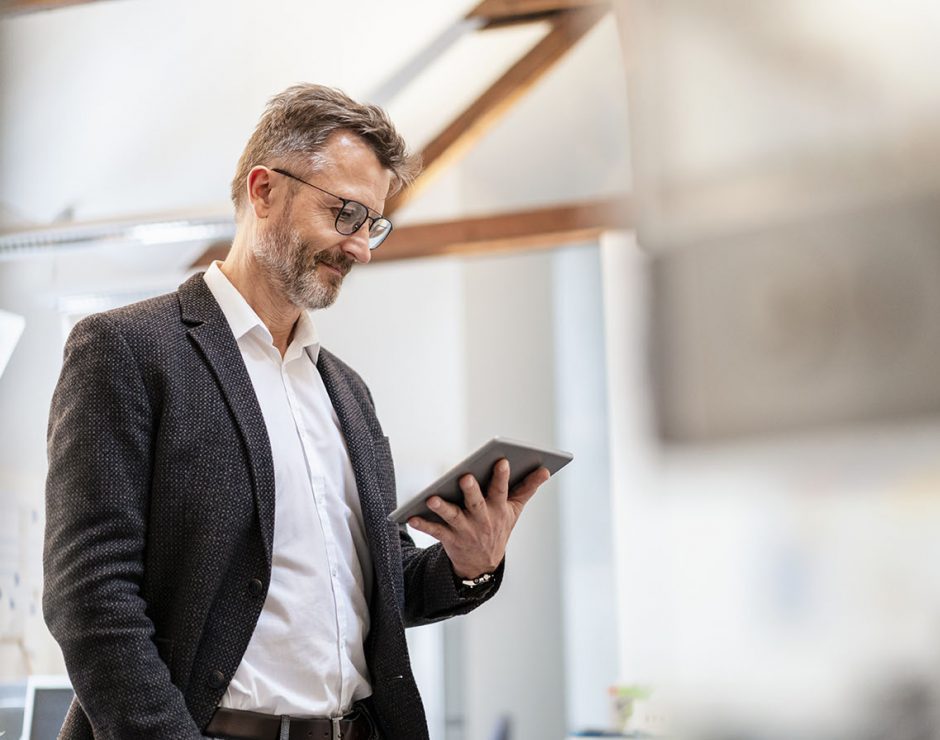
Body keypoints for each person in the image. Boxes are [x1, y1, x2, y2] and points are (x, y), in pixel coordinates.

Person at [42, 84, 550, 740]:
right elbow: (90, 596)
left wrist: (468, 562)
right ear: (264, 191)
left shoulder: (346, 392)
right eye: (345, 214)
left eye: (373, 224)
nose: (361, 246)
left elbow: (378, 585)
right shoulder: (129, 350)